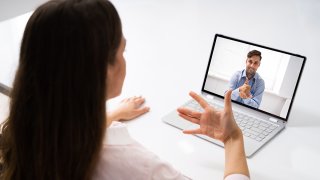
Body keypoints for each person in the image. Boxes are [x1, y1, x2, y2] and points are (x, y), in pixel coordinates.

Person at [0, 0, 249, 179]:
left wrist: (112, 114)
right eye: (123, 50)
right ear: (106, 70)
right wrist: (232, 139)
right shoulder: (138, 167)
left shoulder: (23, 132)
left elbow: (68, 131)